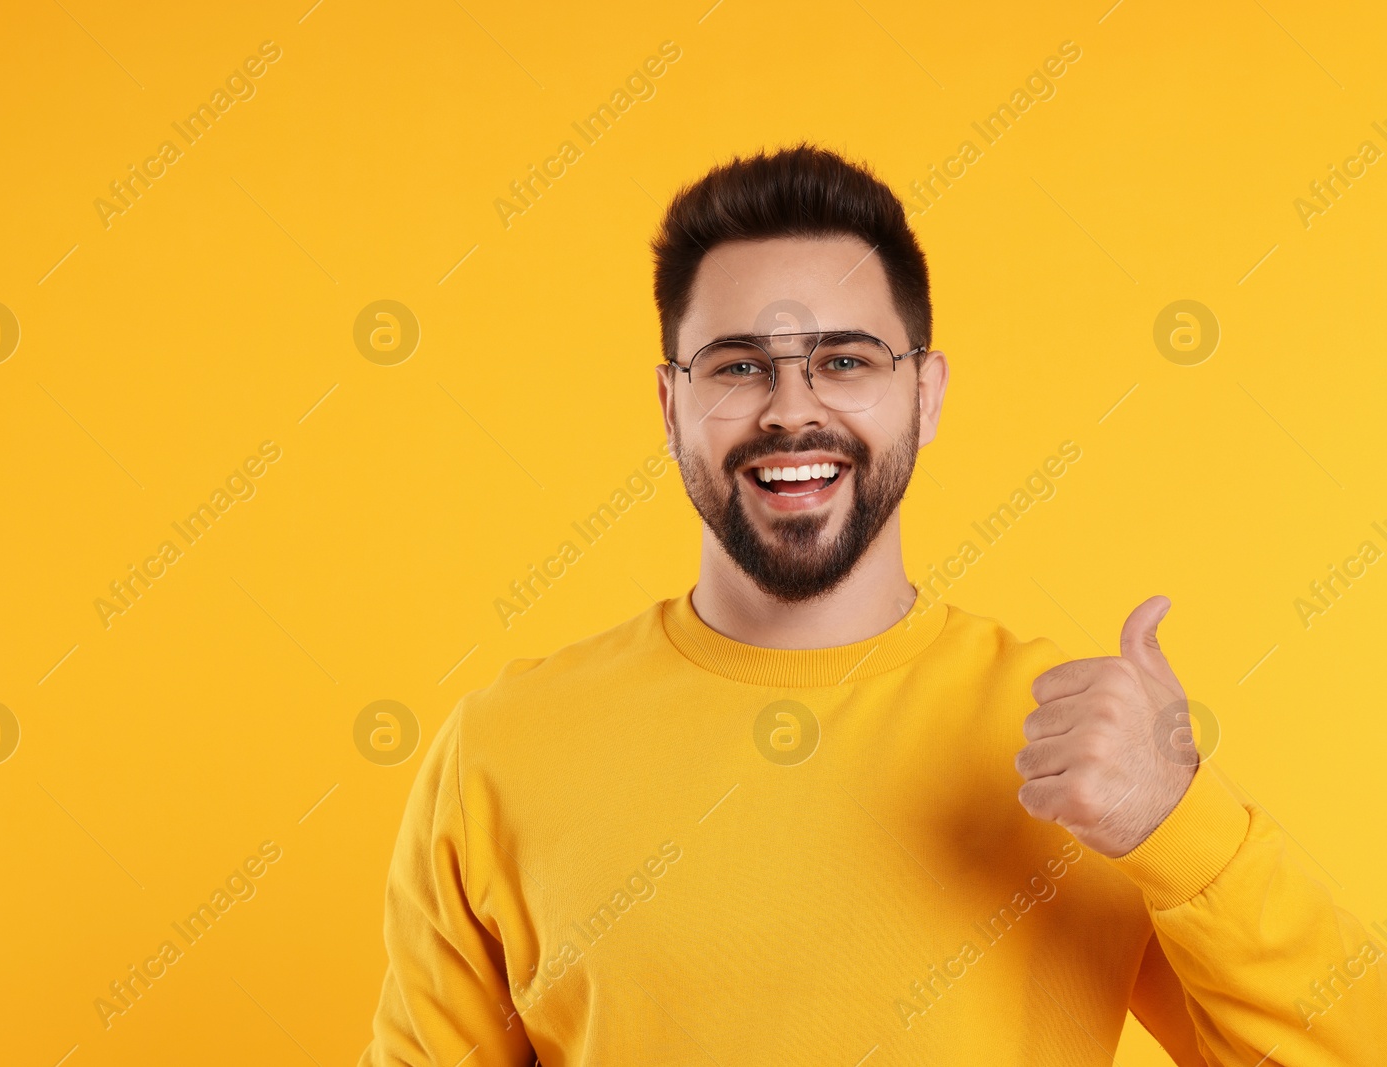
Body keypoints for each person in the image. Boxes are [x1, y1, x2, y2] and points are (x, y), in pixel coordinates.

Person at [358, 143, 1386, 1064]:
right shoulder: (502, 747)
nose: (791, 407)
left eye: (845, 360)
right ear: (670, 405)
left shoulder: (1085, 753)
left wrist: (1180, 822)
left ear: (925, 393)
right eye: (738, 366)